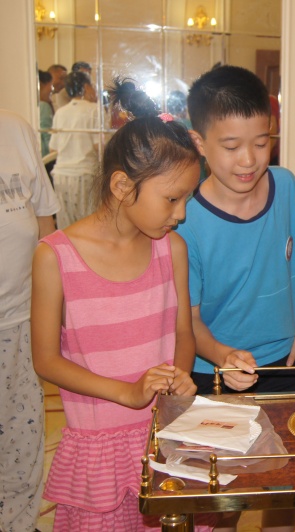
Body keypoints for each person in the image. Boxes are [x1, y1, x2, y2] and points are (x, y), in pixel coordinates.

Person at [30, 79, 213, 531]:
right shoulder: (55, 257)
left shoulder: (172, 250)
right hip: (98, 451)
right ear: (121, 185)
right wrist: (127, 392)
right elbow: (46, 360)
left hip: (165, 437)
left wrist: (179, 377)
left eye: (187, 198)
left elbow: (183, 333)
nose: (182, 213)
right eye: (172, 198)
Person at [180, 65, 295, 532]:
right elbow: (189, 321)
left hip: (285, 358)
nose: (249, 160)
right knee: (224, 491)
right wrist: (222, 356)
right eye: (232, 146)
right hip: (215, 371)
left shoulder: (288, 185)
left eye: (261, 142)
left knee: (287, 479)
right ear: (199, 143)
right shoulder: (187, 220)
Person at [0, 109, 59, 532]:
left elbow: (44, 223)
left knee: (21, 439)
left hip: (20, 317)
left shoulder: (14, 129)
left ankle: (18, 524)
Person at [49, 71, 100, 228]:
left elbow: (53, 148)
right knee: (88, 224)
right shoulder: (94, 109)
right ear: (86, 87)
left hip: (61, 175)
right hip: (85, 174)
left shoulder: (61, 112)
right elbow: (99, 146)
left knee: (66, 226)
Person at [38, 69, 54, 158]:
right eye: (50, 85)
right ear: (40, 85)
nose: (52, 89)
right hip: (44, 156)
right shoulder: (44, 106)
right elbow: (47, 135)